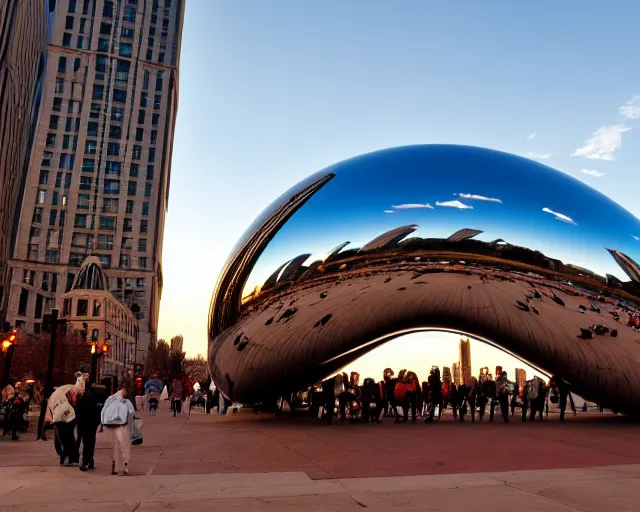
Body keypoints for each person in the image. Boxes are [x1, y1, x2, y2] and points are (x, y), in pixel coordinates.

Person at [101, 385, 135, 476]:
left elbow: (104, 410)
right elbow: (131, 414)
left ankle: (115, 466)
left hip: (111, 426)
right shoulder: (127, 402)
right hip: (123, 426)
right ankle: (125, 466)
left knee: (115, 447)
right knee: (124, 447)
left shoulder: (110, 399)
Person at [76, 384, 107, 471]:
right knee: (90, 442)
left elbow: (78, 410)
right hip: (92, 424)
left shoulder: (85, 398)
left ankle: (86, 461)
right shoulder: (99, 399)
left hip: (83, 423)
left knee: (85, 443)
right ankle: (89, 460)